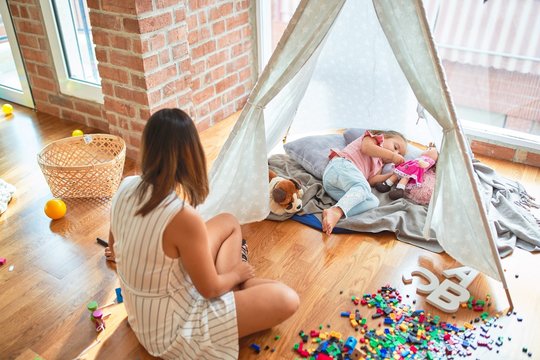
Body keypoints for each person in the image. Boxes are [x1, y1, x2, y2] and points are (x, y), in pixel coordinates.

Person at [104, 108, 299, 359]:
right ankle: (239, 285)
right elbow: (209, 290)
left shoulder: (126, 184)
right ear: (191, 155)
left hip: (141, 309)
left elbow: (113, 247)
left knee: (228, 221)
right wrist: (237, 273)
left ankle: (236, 286)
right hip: (172, 329)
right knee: (287, 298)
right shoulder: (182, 217)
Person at [321, 130, 407, 235]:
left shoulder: (379, 164)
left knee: (372, 201)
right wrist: (392, 156)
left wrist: (393, 174)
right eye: (395, 147)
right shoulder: (372, 139)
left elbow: (372, 180)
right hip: (341, 166)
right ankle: (337, 211)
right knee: (363, 187)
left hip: (338, 188)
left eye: (399, 154)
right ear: (384, 136)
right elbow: (366, 149)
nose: (396, 153)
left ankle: (335, 211)